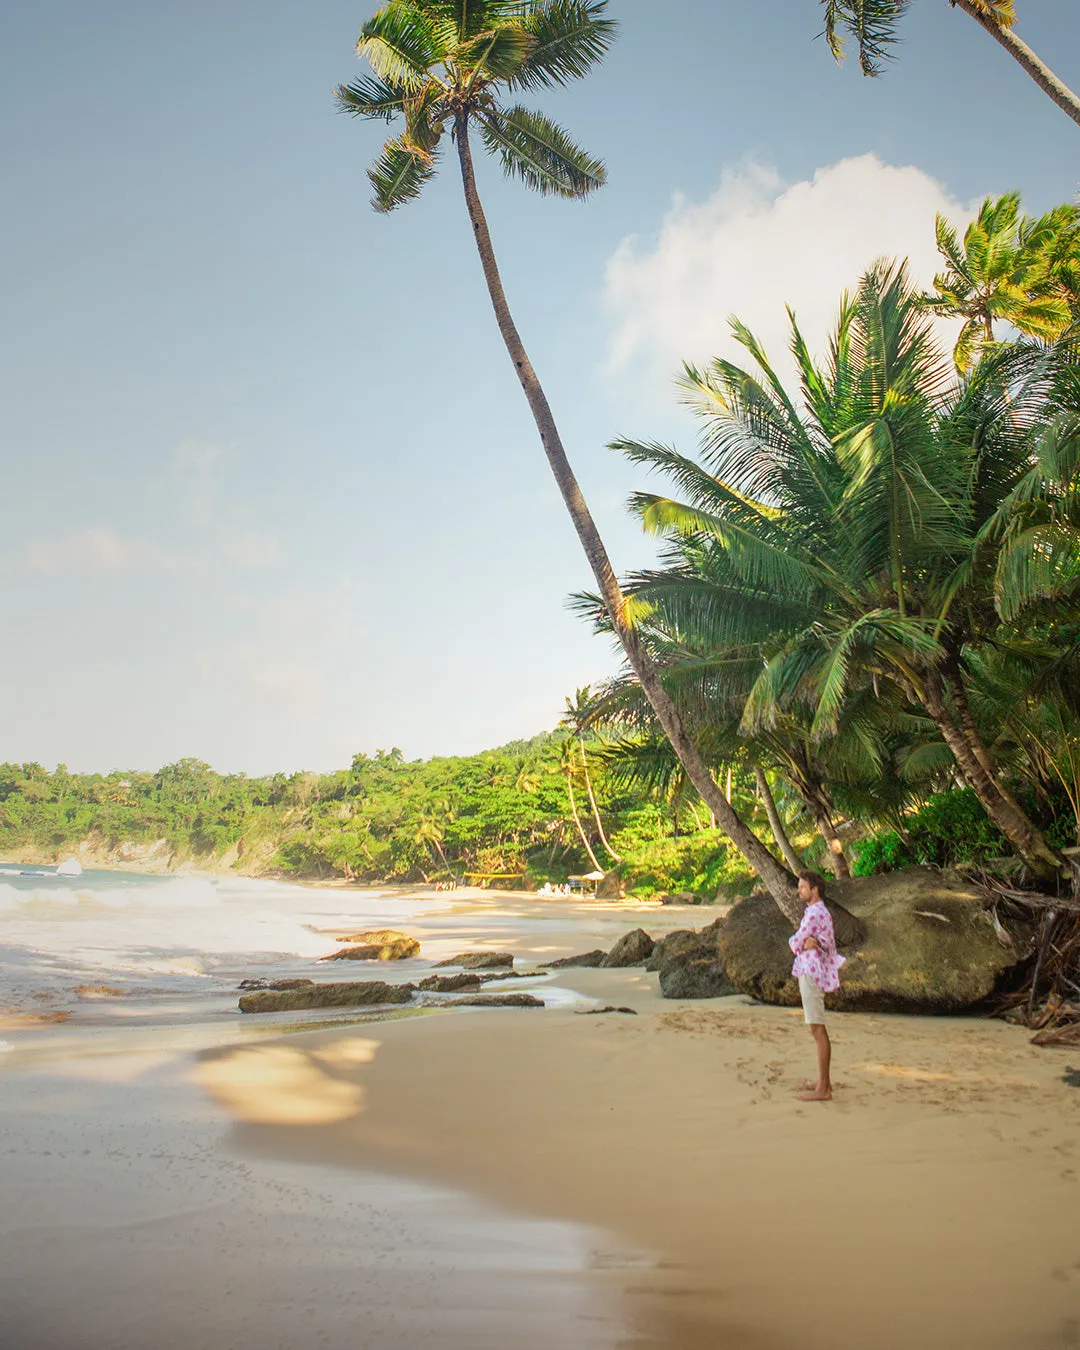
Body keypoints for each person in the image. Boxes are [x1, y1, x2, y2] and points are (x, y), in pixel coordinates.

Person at [788, 869, 845, 1102]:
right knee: (816, 1027)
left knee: (816, 1028)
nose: (799, 890)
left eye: (802, 886)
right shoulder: (816, 911)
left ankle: (824, 1088)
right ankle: (824, 1082)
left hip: (811, 972)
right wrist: (804, 942)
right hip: (811, 969)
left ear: (815, 889)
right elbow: (805, 941)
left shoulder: (815, 913)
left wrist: (800, 942)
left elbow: (796, 941)